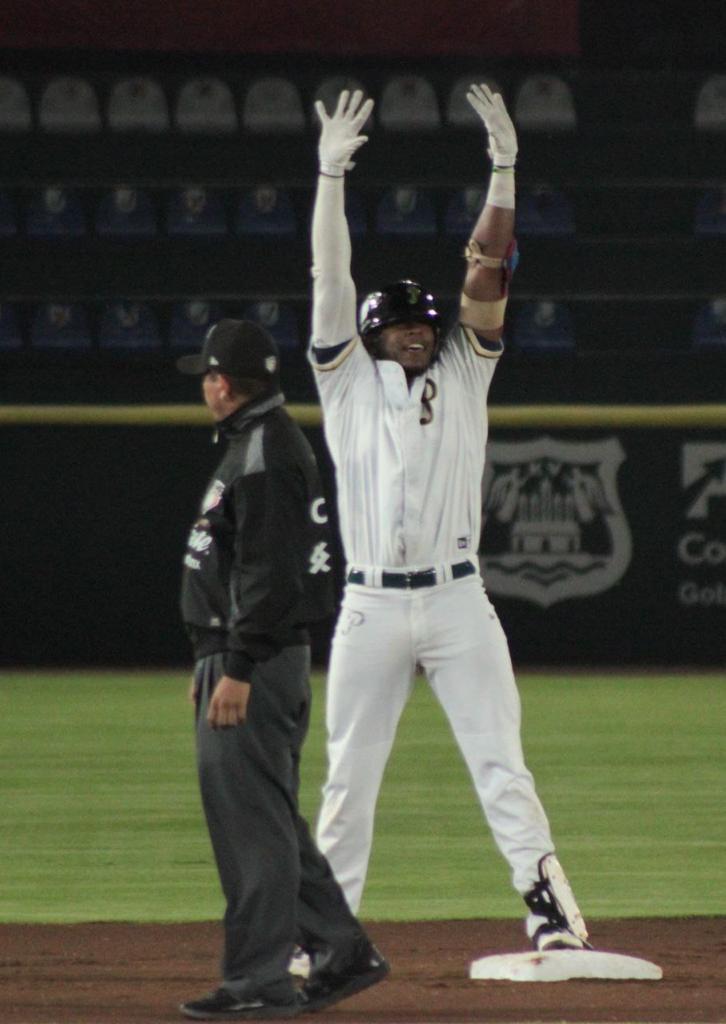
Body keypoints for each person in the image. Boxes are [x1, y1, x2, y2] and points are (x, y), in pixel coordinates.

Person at [307, 87, 591, 953]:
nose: (416, 333)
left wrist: (504, 171)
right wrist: (328, 178)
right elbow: (330, 277)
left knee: (501, 764)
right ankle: (322, 937)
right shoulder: (344, 378)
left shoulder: (467, 370)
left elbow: (484, 271)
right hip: (370, 605)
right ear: (371, 333)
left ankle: (553, 917)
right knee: (348, 783)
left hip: (460, 601)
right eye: (399, 325)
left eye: (423, 324)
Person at [176, 319, 388, 1021]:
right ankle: (340, 948)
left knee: (253, 835)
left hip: (256, 664)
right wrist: (213, 655)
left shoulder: (264, 451)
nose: (204, 386)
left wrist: (234, 664)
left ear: (223, 382)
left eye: (207, 375)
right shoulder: (258, 443)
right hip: (246, 657)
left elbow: (269, 577)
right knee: (269, 824)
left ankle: (258, 982)